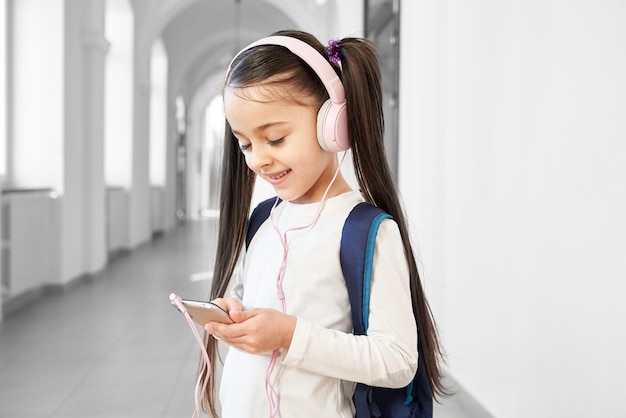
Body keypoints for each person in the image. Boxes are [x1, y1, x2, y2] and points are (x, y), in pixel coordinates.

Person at [201, 29, 445, 417]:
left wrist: (289, 335)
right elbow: (262, 298)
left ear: (333, 124)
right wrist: (237, 313)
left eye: (276, 139)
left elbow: (397, 360)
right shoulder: (263, 219)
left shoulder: (365, 231)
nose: (257, 160)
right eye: (245, 144)